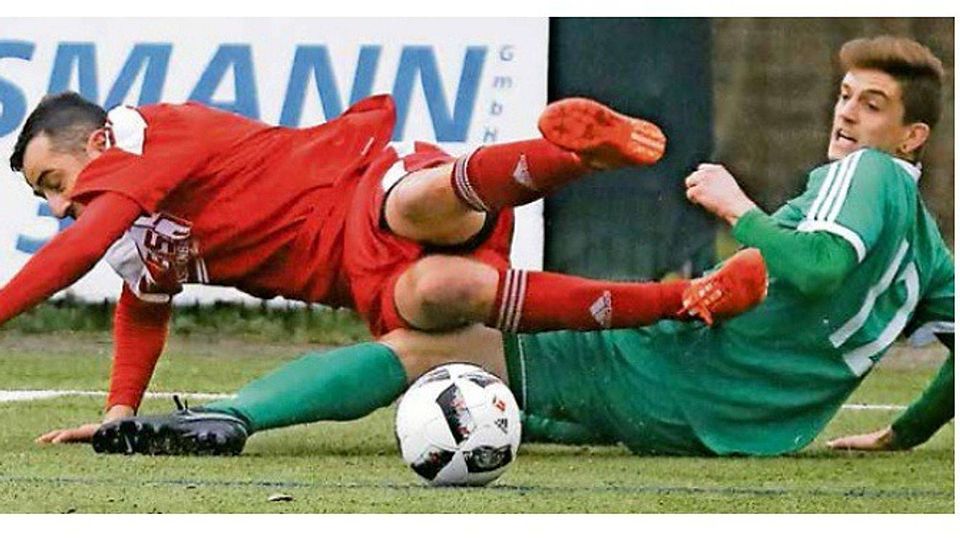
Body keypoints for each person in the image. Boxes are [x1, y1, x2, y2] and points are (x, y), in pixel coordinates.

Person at [91, 35, 952, 457]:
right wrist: (902, 439)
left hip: (665, 370)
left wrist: (739, 206)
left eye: (870, 105)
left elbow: (818, 264)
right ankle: (521, 409)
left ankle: (233, 418)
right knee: (460, 308)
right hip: (739, 434)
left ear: (911, 138)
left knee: (431, 335)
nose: (846, 115)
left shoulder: (866, 178)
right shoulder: (932, 255)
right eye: (844, 95)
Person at [4, 93, 765, 444]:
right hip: (359, 277)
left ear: (99, 144)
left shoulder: (145, 137)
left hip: (356, 183)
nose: (56, 206)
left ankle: (574, 155)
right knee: (445, 288)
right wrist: (117, 413)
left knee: (419, 201)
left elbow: (77, 249)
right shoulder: (135, 227)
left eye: (53, 183)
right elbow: (142, 306)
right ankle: (681, 298)